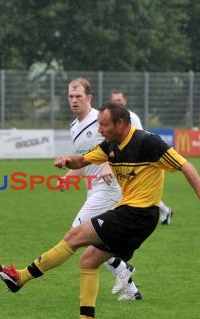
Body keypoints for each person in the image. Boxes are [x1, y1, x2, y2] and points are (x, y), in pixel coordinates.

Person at [0, 102, 200, 319]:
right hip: (131, 214)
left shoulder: (148, 142)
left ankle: (20, 278)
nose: (100, 129)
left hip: (139, 213)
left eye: (104, 125)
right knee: (89, 261)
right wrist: (66, 161)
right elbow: (81, 161)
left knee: (75, 236)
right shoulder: (110, 145)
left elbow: (186, 166)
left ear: (120, 123)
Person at [61, 79, 141, 301]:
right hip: (93, 189)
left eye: (78, 96)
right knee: (94, 236)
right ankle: (130, 287)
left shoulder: (102, 120)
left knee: (78, 232)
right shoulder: (73, 127)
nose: (74, 100)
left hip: (110, 188)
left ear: (89, 98)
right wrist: (68, 177)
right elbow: (85, 160)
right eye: (71, 96)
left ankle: (122, 269)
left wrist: (108, 164)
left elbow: (123, 144)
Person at [110, 91, 174, 225]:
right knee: (128, 192)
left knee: (131, 192)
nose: (118, 103)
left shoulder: (132, 117)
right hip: (119, 161)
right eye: (115, 100)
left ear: (125, 101)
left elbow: (139, 138)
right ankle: (165, 210)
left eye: (119, 100)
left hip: (134, 162)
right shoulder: (111, 118)